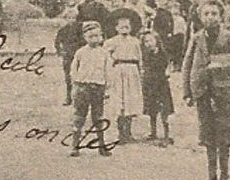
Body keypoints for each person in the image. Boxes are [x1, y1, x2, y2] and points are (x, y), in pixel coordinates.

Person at [182, 0, 230, 180]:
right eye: (206, 14)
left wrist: (221, 67)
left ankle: (225, 177)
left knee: (224, 132)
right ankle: (211, 177)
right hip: (202, 91)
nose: (210, 17)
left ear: (221, 16)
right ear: (201, 17)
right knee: (207, 134)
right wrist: (187, 92)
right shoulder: (196, 38)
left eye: (214, 14)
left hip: (223, 92)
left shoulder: (228, 37)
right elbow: (187, 65)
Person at [69, 21, 113, 157]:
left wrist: (107, 89)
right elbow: (73, 70)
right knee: (79, 117)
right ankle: (75, 146)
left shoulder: (104, 53)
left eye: (96, 36)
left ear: (101, 37)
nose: (94, 39)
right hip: (83, 87)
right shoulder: (80, 52)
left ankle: (101, 146)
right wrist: (76, 85)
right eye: (90, 36)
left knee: (98, 118)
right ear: (85, 37)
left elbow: (108, 72)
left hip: (98, 88)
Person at [106, 14, 145, 143]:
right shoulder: (112, 42)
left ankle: (128, 132)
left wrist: (141, 71)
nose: (124, 29)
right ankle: (120, 133)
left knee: (130, 101)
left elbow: (140, 58)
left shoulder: (135, 41)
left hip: (132, 70)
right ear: (116, 28)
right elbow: (106, 56)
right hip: (119, 70)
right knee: (120, 101)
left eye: (127, 26)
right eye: (121, 26)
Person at [140, 29, 174, 145]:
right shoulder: (145, 55)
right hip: (150, 84)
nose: (149, 43)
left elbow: (166, 67)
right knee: (152, 110)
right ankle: (153, 131)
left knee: (164, 110)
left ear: (157, 41)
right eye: (146, 42)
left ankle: (166, 134)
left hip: (161, 84)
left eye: (151, 40)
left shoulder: (163, 54)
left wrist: (167, 72)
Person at [53, 9, 83, 106]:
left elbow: (83, 42)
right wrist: (60, 51)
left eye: (73, 18)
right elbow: (57, 42)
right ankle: (68, 97)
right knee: (68, 77)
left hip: (78, 55)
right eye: (69, 18)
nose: (71, 20)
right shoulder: (63, 30)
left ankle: (79, 98)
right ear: (66, 19)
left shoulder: (80, 29)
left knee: (80, 76)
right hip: (67, 55)